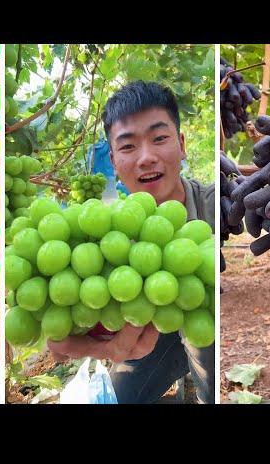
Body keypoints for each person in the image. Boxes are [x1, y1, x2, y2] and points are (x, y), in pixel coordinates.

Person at [48, 81, 215, 404]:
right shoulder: (105, 238)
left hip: (201, 327)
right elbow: (68, 332)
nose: (146, 157)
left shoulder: (216, 206)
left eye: (159, 138)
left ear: (182, 144)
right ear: (112, 160)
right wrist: (93, 345)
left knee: (208, 368)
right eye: (128, 147)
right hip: (151, 331)